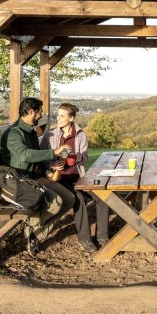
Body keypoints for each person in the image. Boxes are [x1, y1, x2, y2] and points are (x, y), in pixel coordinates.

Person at [0, 97, 75, 256]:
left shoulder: (31, 131)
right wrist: (54, 151)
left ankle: (35, 234)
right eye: (39, 112)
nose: (41, 115)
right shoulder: (14, 134)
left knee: (69, 198)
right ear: (30, 111)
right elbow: (24, 155)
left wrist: (47, 169)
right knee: (56, 203)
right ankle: (32, 226)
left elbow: (37, 158)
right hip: (21, 181)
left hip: (36, 177)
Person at [41, 102, 109, 253]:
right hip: (58, 179)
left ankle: (103, 236)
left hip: (78, 176)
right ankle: (84, 238)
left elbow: (84, 158)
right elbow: (42, 158)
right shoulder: (50, 135)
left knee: (102, 197)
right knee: (78, 197)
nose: (58, 118)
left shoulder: (80, 134)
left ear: (71, 118)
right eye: (57, 115)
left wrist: (76, 157)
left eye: (62, 116)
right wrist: (52, 165)